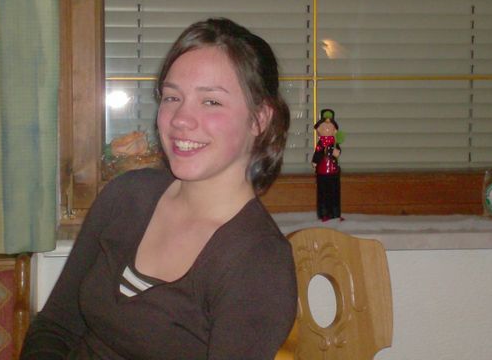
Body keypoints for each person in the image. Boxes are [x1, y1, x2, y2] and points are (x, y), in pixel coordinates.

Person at [20, 18, 297, 359]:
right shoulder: (125, 196)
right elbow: (56, 326)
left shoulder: (259, 262)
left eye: (211, 102)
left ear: (259, 119)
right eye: (172, 97)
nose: (180, 118)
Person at [312, 109, 342, 221]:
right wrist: (315, 162)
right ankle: (323, 214)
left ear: (335, 130)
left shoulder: (334, 142)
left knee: (334, 193)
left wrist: (335, 151)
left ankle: (335, 213)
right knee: (323, 194)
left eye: (329, 128)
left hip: (333, 171)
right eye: (323, 127)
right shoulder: (320, 144)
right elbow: (317, 154)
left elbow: (337, 152)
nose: (326, 129)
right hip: (322, 171)